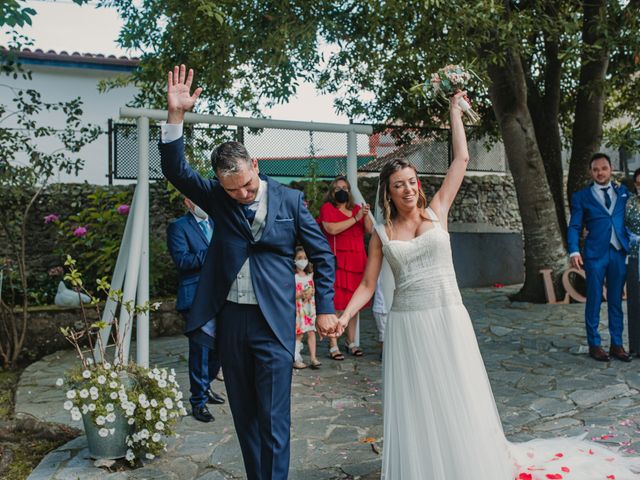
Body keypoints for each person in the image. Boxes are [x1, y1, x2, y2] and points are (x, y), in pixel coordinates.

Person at [337, 91, 640, 479]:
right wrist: (345, 314)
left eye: (412, 181)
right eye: (400, 185)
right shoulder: (381, 232)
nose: (409, 188)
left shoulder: (438, 210)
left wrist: (454, 112)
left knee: (458, 392)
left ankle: (466, 462)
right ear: (388, 191)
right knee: (421, 400)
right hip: (408, 323)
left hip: (447, 315)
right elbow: (367, 283)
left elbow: (461, 159)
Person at [159, 65, 341, 480]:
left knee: (275, 419)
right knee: (244, 417)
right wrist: (176, 117)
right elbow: (175, 171)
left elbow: (322, 256)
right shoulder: (216, 197)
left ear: (255, 165)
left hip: (274, 322)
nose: (241, 195)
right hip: (231, 321)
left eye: (246, 186)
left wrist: (327, 307)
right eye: (232, 191)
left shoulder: (291, 201)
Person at [568, 153, 632, 362]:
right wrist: (574, 250)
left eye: (603, 168)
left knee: (615, 300)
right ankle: (594, 344)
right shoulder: (581, 197)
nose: (600, 172)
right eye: (595, 169)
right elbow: (575, 226)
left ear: (610, 168)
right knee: (594, 299)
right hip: (595, 255)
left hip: (618, 252)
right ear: (591, 172)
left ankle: (617, 344)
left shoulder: (623, 192)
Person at [166, 197, 225, 423]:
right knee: (200, 350)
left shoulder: (217, 223)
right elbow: (183, 261)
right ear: (187, 202)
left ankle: (207, 386)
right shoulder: (178, 227)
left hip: (222, 296)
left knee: (220, 348)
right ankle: (198, 401)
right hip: (196, 298)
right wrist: (214, 252)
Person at [318, 176, 373, 359]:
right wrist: (355, 218)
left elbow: (370, 230)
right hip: (337, 262)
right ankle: (334, 344)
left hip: (357, 261)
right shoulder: (328, 209)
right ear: (332, 192)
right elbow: (331, 229)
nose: (342, 191)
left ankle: (351, 342)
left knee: (352, 304)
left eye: (345, 188)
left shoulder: (356, 209)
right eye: (338, 188)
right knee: (336, 304)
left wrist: (364, 215)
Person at [293, 246, 321, 370]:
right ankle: (295, 358)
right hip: (298, 309)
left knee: (311, 332)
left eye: (305, 258)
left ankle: (313, 357)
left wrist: (311, 292)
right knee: (298, 334)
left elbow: (313, 288)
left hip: (309, 308)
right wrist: (300, 294)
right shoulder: (293, 276)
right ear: (293, 260)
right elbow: (289, 293)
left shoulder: (310, 275)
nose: (302, 260)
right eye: (299, 258)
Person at [625, 167, 640, 357]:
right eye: (638, 184)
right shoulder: (629, 203)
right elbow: (622, 226)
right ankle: (637, 346)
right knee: (635, 303)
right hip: (634, 257)